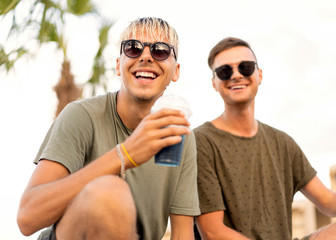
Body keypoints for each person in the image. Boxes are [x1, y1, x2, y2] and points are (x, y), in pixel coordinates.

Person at [17, 17, 200, 240]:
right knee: (109, 193)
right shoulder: (82, 116)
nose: (145, 56)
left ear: (176, 71)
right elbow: (27, 218)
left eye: (160, 51)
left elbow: (182, 235)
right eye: (133, 48)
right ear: (118, 65)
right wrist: (125, 155)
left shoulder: (179, 135)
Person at [194, 37, 336, 240]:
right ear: (214, 83)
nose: (236, 75)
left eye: (245, 67)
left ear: (259, 75)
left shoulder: (283, 143)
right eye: (225, 71)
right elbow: (212, 231)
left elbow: (329, 202)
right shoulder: (201, 142)